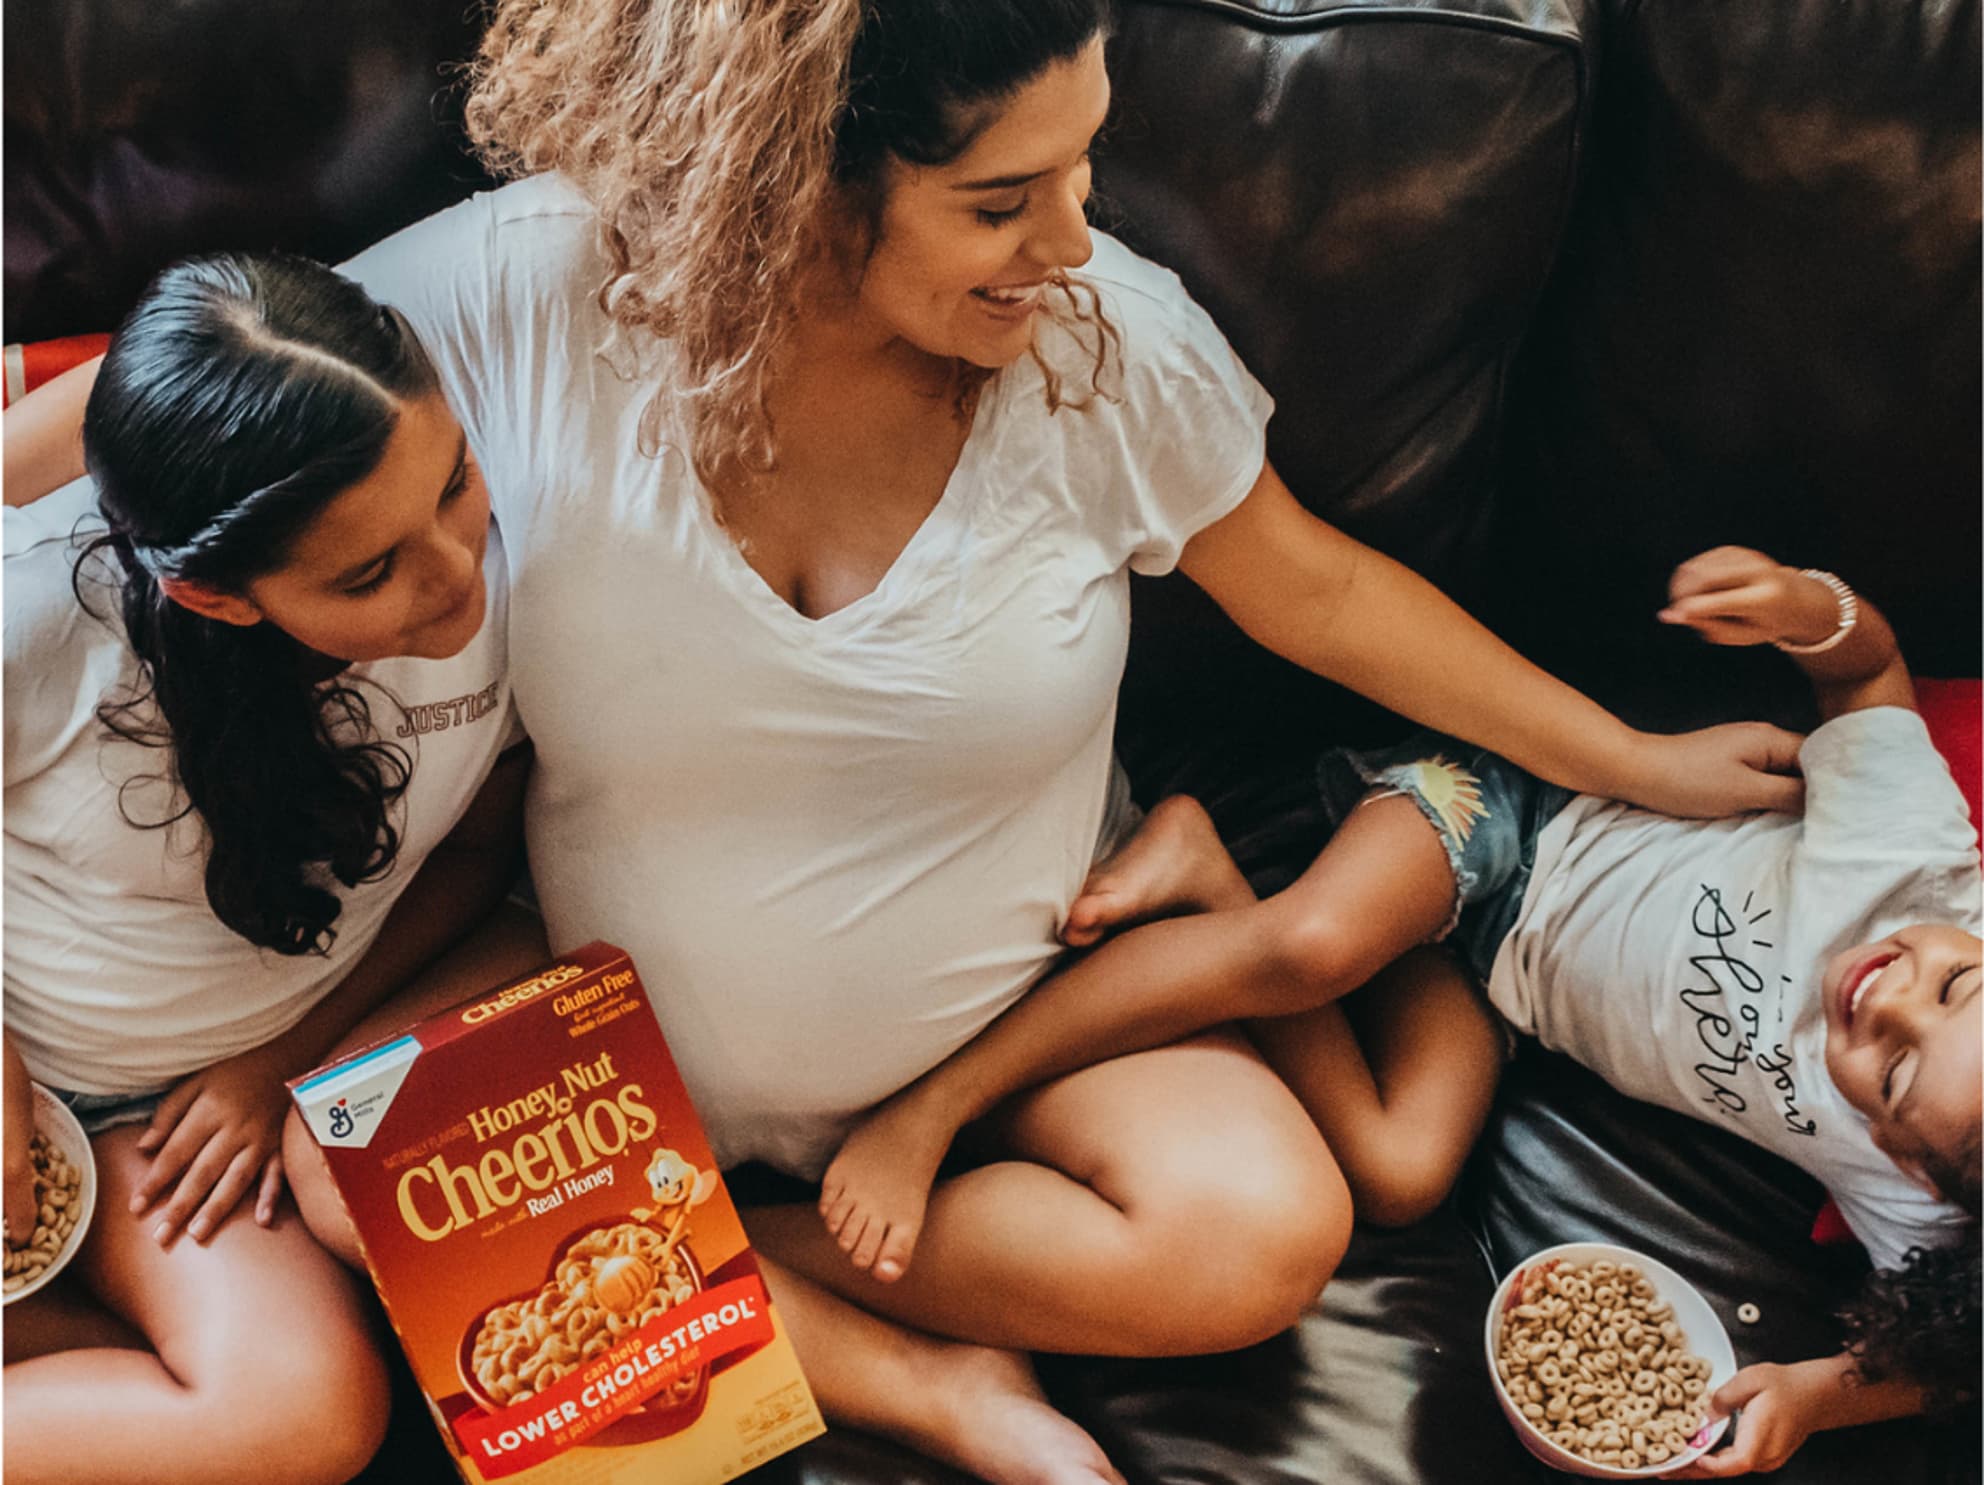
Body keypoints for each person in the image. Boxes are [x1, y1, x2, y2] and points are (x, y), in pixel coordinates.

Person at [9, 6, 1809, 1480]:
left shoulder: (1099, 352)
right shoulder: (538, 294)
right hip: (611, 1022)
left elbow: (1324, 596)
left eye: (1082, 164)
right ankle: (913, 1379)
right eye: (1000, 195)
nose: (1074, 239)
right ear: (793, 187)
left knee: (1260, 1237)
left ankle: (691, 1268)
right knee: (352, 1186)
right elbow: (176, 406)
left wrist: (1625, 758)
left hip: (1004, 1002)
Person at [818, 544, 1981, 1478]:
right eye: (1959, 983)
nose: (1888, 1000)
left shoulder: (1924, 1205)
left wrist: (1807, 1403)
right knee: (1311, 947)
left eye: (1886, 1074)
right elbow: (1865, 677)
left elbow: (1958, 1358)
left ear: (1908, 1165)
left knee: (1398, 1173)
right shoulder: (1915, 871)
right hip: (1513, 805)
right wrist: (1804, 607)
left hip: (1499, 986)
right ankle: (943, 1100)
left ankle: (1208, 866)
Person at [2, 252, 533, 1485]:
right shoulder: (44, 622)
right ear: (217, 595)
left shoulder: (503, 544)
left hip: (172, 1120)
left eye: (455, 487)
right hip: (24, 1051)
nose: (457, 577)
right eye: (369, 575)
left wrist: (280, 1064)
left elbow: (486, 854)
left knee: (308, 1410)